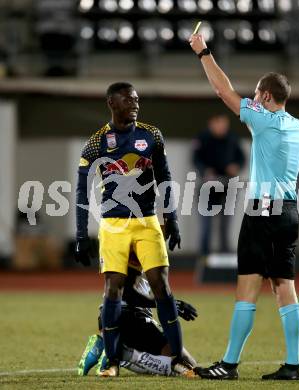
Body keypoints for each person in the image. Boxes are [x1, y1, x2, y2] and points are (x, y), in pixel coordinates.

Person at [189, 34, 299, 380]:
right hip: (288, 212)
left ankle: (228, 364)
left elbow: (223, 91)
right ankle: (293, 365)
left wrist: (204, 53)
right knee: (285, 286)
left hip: (264, 212)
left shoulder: (264, 119)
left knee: (247, 287)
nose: (252, 99)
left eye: (256, 93)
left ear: (267, 96)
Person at [74, 82, 185, 377]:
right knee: (113, 289)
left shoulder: (152, 135)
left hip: (147, 222)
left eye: (137, 99)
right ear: (112, 102)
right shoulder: (97, 143)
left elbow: (164, 176)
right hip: (113, 225)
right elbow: (82, 192)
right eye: (128, 99)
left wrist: (171, 217)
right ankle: (110, 362)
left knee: (162, 286)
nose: (135, 104)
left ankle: (177, 359)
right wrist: (82, 235)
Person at [78, 258, 197, 378]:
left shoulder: (124, 247)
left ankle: (109, 345)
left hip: (110, 317)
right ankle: (121, 353)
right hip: (129, 316)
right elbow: (129, 295)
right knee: (182, 368)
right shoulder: (135, 248)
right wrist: (169, 304)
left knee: (189, 362)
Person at [193, 114, 245, 255]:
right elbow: (196, 159)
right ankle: (204, 256)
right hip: (207, 187)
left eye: (224, 124)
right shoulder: (202, 139)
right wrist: (205, 171)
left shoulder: (233, 138)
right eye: (219, 124)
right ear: (211, 124)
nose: (222, 128)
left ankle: (225, 255)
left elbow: (242, 158)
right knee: (206, 226)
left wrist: (236, 166)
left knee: (225, 225)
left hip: (228, 187)